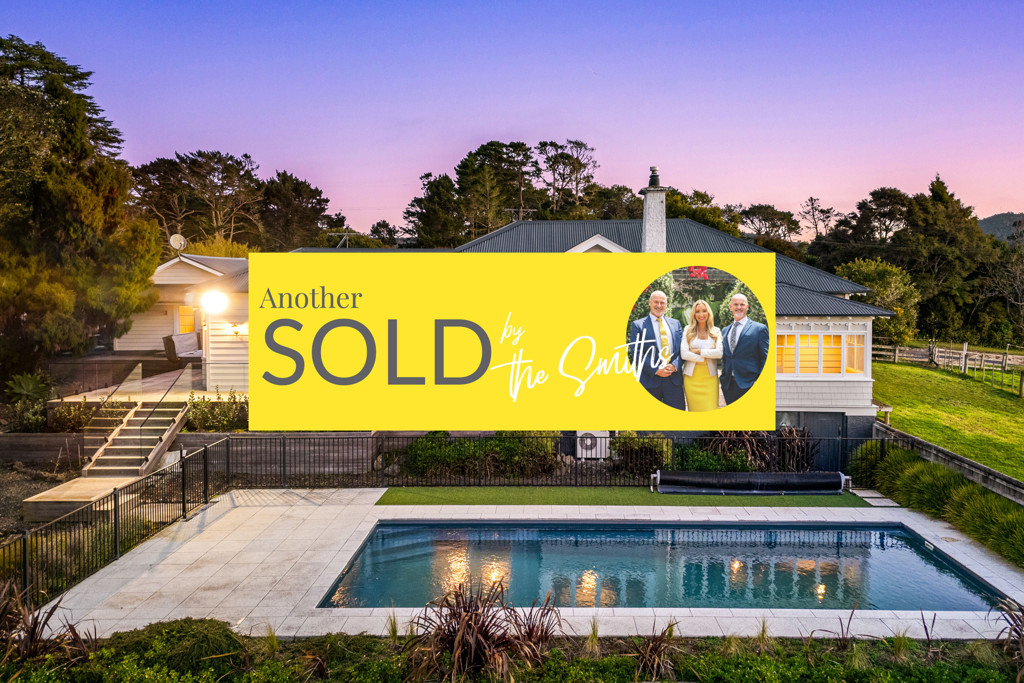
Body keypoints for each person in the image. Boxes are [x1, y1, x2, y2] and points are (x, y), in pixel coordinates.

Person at [629, 290, 686, 410]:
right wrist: (656, 369)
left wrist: (675, 365)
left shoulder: (676, 324)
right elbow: (636, 352)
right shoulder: (638, 325)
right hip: (650, 380)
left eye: (662, 302)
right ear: (650, 302)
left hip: (673, 381)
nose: (659, 305)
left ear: (666, 304)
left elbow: (682, 349)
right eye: (656, 302)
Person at [720, 293, 769, 405]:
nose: (739, 307)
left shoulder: (759, 329)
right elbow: (725, 357)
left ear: (747, 307)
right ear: (730, 307)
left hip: (750, 384)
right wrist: (723, 377)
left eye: (742, 304)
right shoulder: (725, 330)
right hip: (729, 386)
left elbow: (765, 358)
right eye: (735, 304)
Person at [680, 300, 723, 411]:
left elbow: (719, 353)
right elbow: (684, 354)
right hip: (691, 378)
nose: (701, 314)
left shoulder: (716, 331)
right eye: (697, 311)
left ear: (708, 313)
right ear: (694, 314)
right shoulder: (687, 330)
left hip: (710, 378)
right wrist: (706, 356)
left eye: (704, 311)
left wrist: (698, 351)